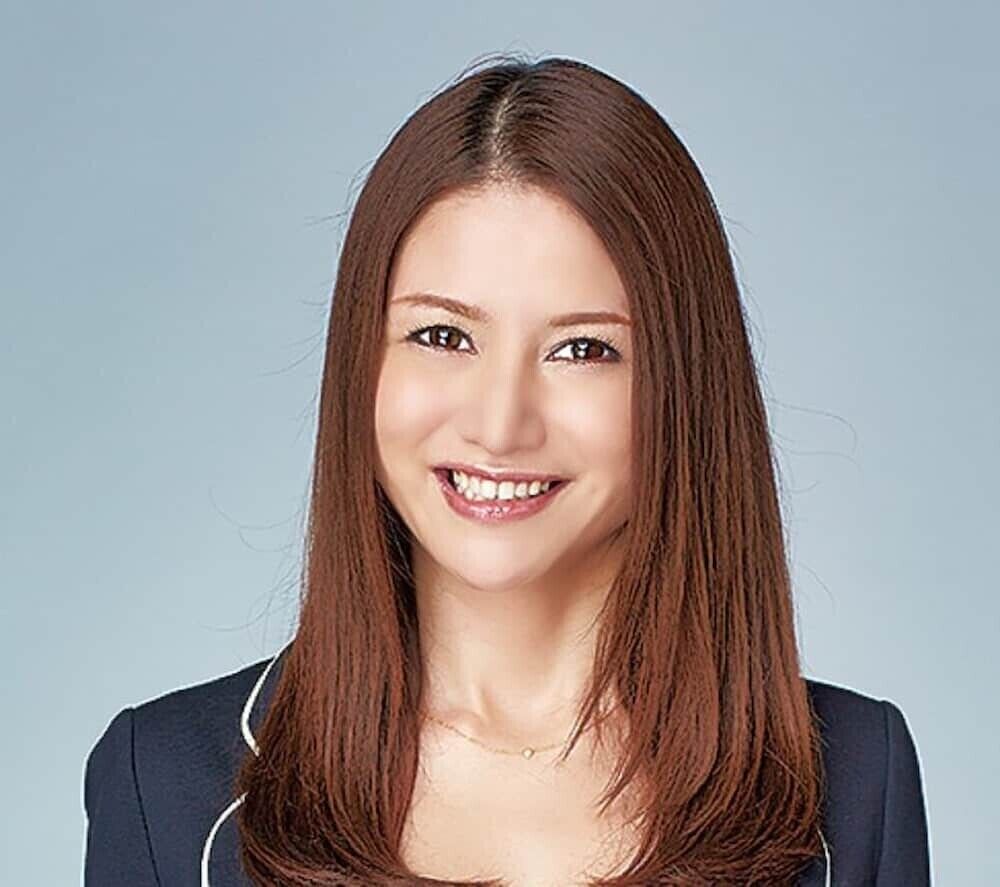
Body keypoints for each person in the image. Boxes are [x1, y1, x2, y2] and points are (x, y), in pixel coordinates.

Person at [83, 53, 931, 886]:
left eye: (583, 348)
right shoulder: (167, 788)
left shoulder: (855, 786)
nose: (498, 423)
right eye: (443, 336)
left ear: (685, 385)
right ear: (361, 362)